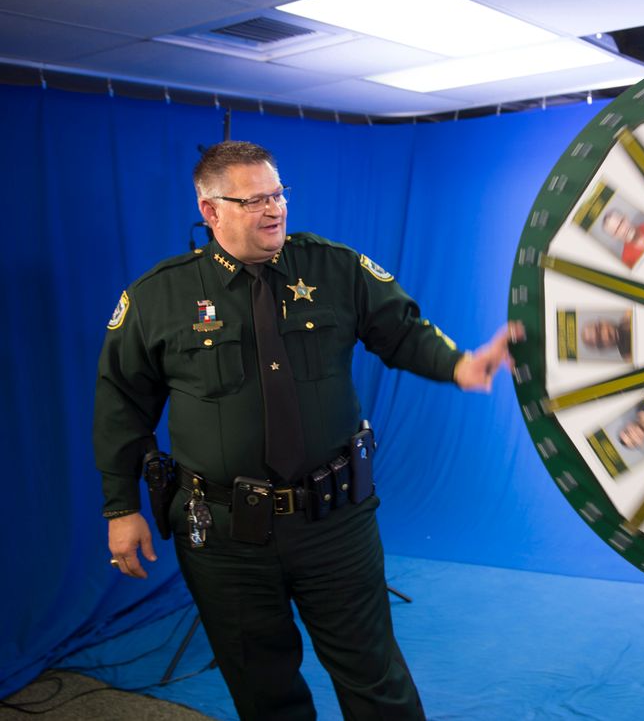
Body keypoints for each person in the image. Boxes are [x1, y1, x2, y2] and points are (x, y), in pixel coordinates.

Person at [94, 141, 514, 721]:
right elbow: (121, 405)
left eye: (278, 193)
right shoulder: (157, 297)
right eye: (254, 200)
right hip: (223, 534)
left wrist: (461, 366)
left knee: (375, 678)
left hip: (333, 521)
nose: (274, 210)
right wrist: (122, 507)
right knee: (263, 690)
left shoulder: (334, 268)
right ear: (210, 210)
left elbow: (403, 331)